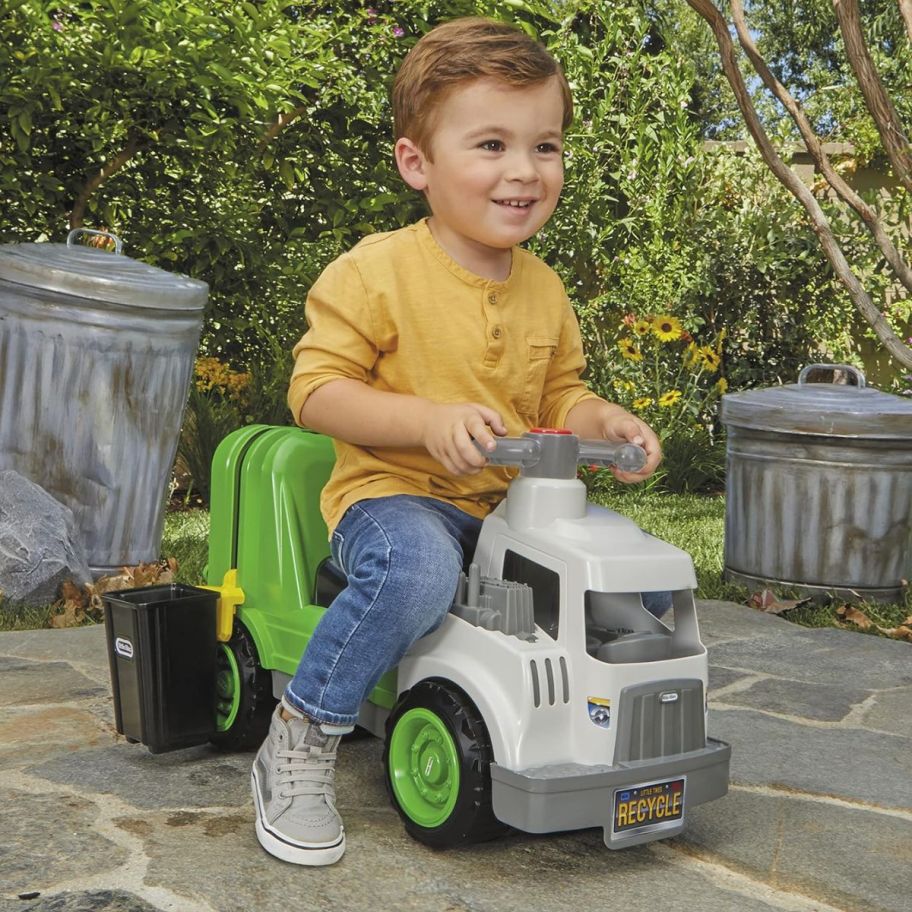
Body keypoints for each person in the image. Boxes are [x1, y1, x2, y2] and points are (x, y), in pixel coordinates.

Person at [250, 16, 662, 867]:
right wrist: (427, 422)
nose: (523, 170)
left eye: (543, 145)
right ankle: (303, 729)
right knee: (419, 573)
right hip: (396, 504)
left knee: (616, 580)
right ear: (418, 164)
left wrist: (605, 423)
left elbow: (561, 398)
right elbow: (315, 392)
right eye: (490, 144)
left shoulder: (545, 290)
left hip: (511, 514)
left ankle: (603, 740)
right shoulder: (375, 272)